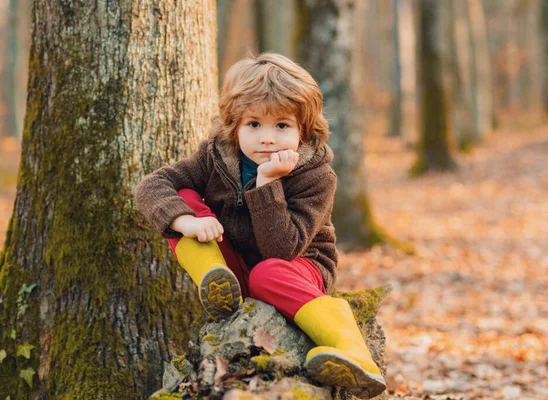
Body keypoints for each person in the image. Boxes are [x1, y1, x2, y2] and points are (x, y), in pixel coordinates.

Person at [134, 53, 386, 398]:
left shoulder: (316, 176)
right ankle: (215, 281)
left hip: (296, 268)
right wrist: (187, 221)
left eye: (282, 126)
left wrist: (268, 185)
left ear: (304, 130)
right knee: (184, 195)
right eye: (254, 125)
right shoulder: (216, 157)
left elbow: (281, 249)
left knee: (268, 272)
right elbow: (153, 185)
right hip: (234, 267)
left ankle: (353, 351)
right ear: (234, 126)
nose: (267, 138)